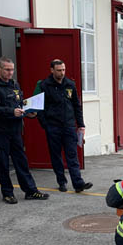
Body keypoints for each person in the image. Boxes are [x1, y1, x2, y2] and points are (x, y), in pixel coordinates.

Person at [0, 57, 49, 204]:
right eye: (7, 69)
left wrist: (29, 111)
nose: (10, 72)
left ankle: (31, 191)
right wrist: (11, 112)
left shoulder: (14, 84)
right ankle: (7, 193)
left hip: (15, 130)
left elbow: (20, 103)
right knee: (3, 164)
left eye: (12, 69)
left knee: (22, 162)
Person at [33, 59, 92, 193]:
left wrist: (81, 125)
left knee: (72, 155)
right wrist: (45, 125)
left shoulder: (70, 84)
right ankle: (61, 181)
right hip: (53, 126)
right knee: (56, 156)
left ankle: (78, 183)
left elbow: (77, 106)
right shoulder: (44, 85)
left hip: (69, 126)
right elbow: (38, 106)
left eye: (63, 70)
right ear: (52, 70)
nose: (62, 73)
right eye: (59, 70)